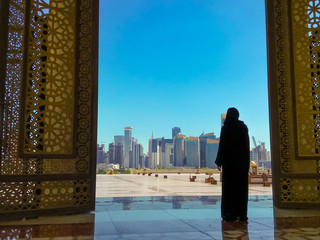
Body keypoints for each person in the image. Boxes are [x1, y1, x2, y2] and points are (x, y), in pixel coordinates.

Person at [215, 107, 250, 222]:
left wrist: (219, 162)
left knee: (229, 190)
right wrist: (246, 164)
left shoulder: (226, 128)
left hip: (230, 164)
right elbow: (246, 147)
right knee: (241, 190)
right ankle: (241, 214)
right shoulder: (243, 128)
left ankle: (229, 214)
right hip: (241, 164)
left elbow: (223, 146)